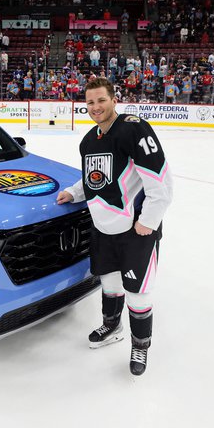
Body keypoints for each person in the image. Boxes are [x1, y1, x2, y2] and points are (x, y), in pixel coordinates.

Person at [56, 78, 173, 376]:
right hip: (102, 229)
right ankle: (112, 326)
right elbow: (92, 179)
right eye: (90, 102)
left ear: (114, 99)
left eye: (101, 100)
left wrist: (148, 221)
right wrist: (74, 192)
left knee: (137, 293)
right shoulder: (88, 141)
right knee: (109, 285)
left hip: (135, 231)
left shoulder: (133, 128)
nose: (95, 107)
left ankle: (140, 344)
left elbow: (160, 182)